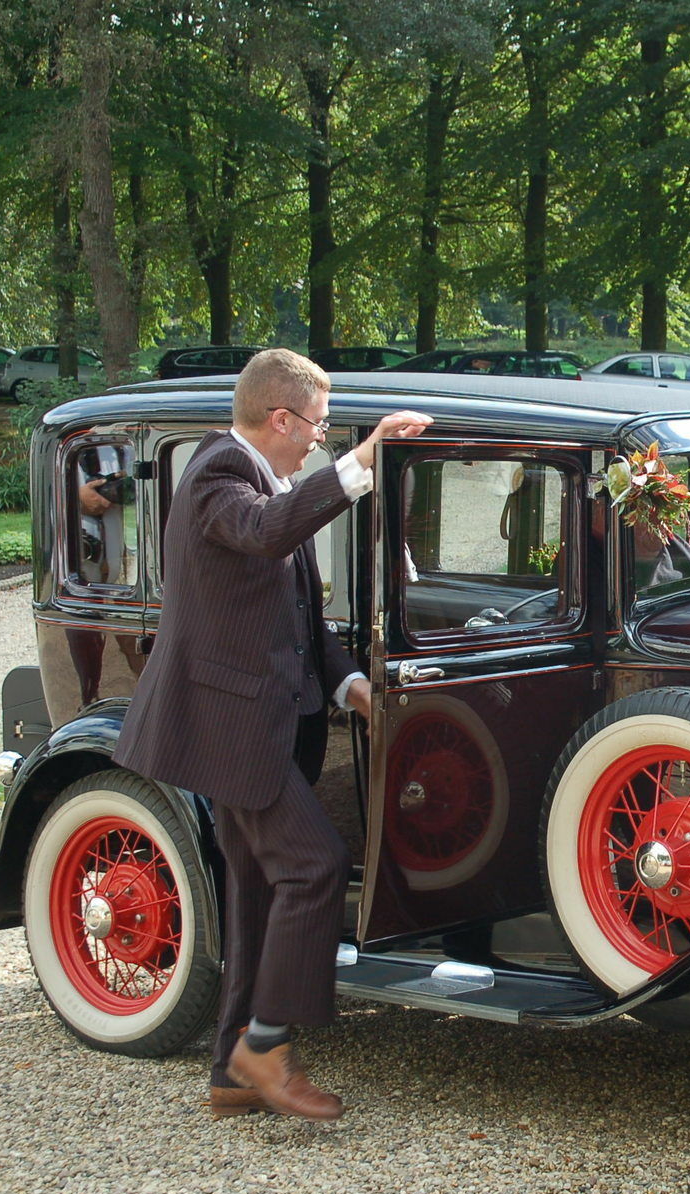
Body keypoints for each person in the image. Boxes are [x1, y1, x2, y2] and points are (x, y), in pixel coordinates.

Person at [114, 348, 431, 1120]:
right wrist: (362, 461)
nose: (320, 440)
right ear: (281, 419)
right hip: (230, 728)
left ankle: (230, 1071)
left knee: (257, 890)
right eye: (319, 428)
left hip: (267, 721)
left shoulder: (270, 479)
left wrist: (350, 683)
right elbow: (265, 532)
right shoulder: (217, 477)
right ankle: (266, 1042)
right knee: (316, 864)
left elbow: (298, 613)